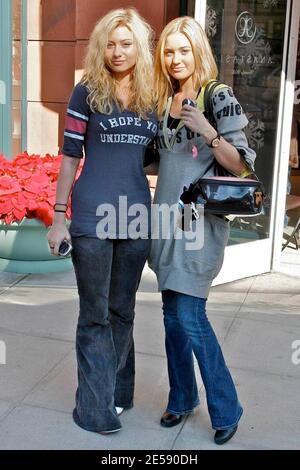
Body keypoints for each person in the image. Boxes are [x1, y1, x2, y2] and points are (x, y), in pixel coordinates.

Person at [47, 8, 157, 435]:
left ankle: (117, 389)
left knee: (123, 311)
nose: (117, 51)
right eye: (110, 43)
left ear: (139, 48)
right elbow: (70, 156)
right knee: (95, 314)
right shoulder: (86, 92)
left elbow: (159, 156)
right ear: (100, 47)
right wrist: (59, 218)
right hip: (92, 218)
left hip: (135, 219)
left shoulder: (153, 95)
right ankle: (94, 408)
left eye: (126, 43)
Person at [148, 16, 256, 445]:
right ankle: (181, 397)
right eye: (169, 51)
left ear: (198, 52)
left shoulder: (218, 96)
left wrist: (209, 132)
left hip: (197, 222)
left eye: (183, 50)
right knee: (172, 316)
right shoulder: (165, 100)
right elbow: (162, 161)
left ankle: (227, 407)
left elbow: (242, 164)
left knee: (191, 316)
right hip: (165, 221)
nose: (176, 59)